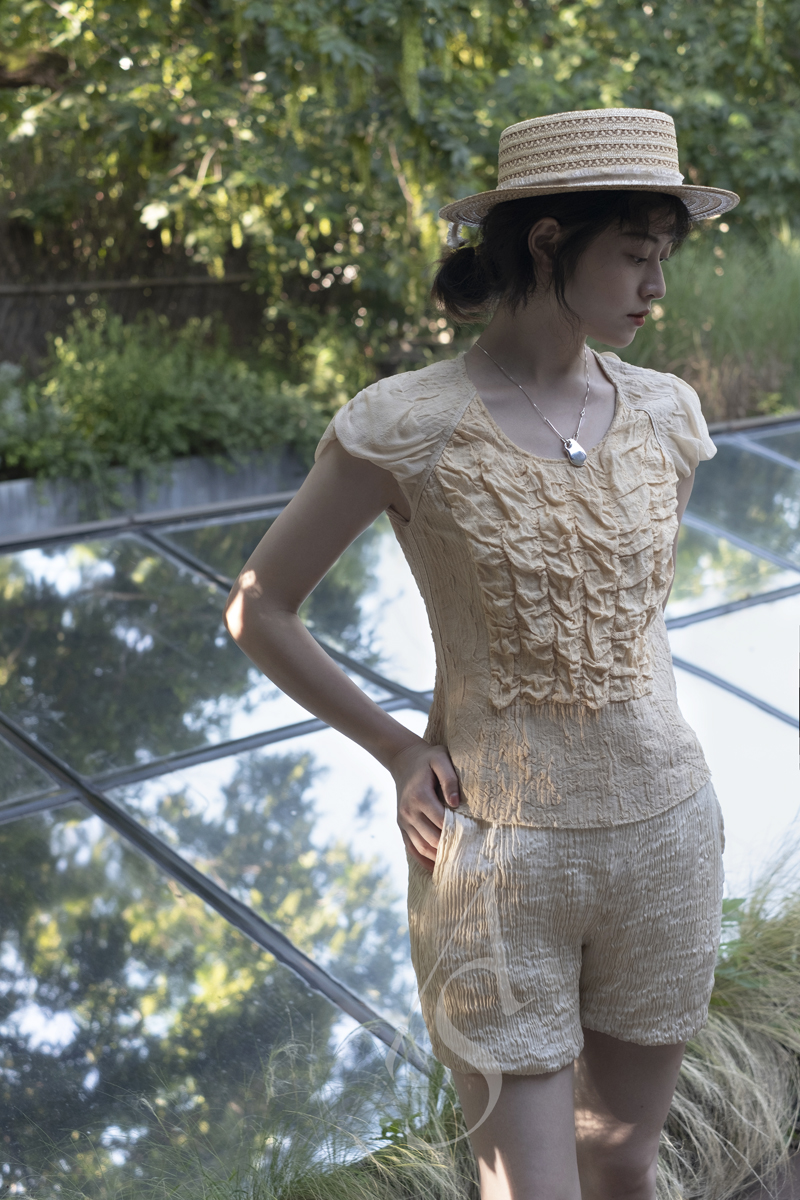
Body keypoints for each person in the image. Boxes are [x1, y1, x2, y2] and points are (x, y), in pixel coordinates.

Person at [224, 107, 739, 1200]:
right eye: (634, 255)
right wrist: (396, 750)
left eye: (664, 257)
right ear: (548, 241)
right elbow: (260, 610)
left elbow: (629, 620)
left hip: (666, 838)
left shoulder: (666, 415)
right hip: (498, 861)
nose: (656, 286)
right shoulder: (407, 424)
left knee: (623, 1157)